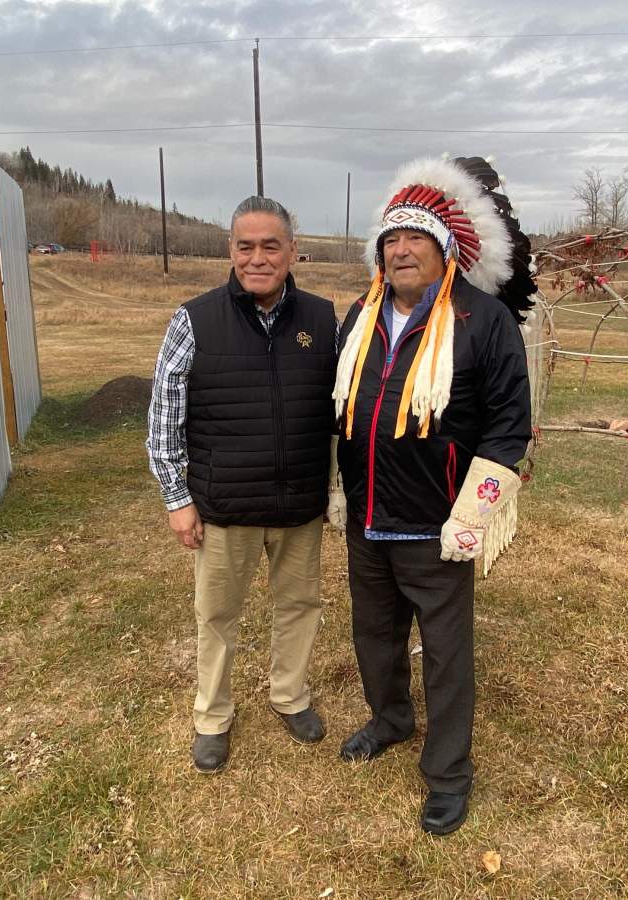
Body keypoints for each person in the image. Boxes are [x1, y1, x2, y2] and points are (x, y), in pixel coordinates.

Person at [330, 156, 534, 834]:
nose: (400, 249)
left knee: (447, 657)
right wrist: (340, 489)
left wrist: (474, 509)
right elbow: (342, 411)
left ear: (445, 248)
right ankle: (389, 719)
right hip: (367, 515)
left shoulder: (482, 322)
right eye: (391, 239)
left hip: (435, 522)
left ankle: (448, 775)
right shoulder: (360, 317)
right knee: (373, 635)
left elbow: (509, 427)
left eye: (415, 237)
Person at [147, 195, 337, 774]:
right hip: (224, 504)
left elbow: (343, 407)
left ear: (292, 252)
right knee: (216, 616)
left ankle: (290, 695)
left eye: (270, 246)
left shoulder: (323, 320)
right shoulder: (194, 318)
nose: (258, 258)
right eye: (246, 246)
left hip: (299, 503)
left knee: (299, 604)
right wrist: (178, 500)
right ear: (231, 251)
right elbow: (164, 418)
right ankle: (212, 716)